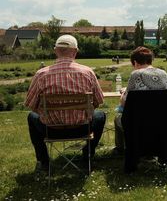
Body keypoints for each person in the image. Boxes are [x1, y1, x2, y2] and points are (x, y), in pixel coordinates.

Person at [25, 35, 106, 172]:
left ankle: (43, 161)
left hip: (50, 130)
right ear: (75, 51)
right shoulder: (88, 72)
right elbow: (98, 101)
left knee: (31, 117)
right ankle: (87, 156)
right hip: (82, 128)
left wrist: (47, 115)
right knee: (100, 115)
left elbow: (31, 105)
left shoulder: (41, 74)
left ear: (56, 51)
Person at [114, 46, 167, 152]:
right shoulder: (164, 73)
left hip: (139, 123)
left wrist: (123, 93)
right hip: (163, 121)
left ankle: (122, 149)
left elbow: (123, 103)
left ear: (135, 62)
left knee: (118, 118)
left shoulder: (136, 74)